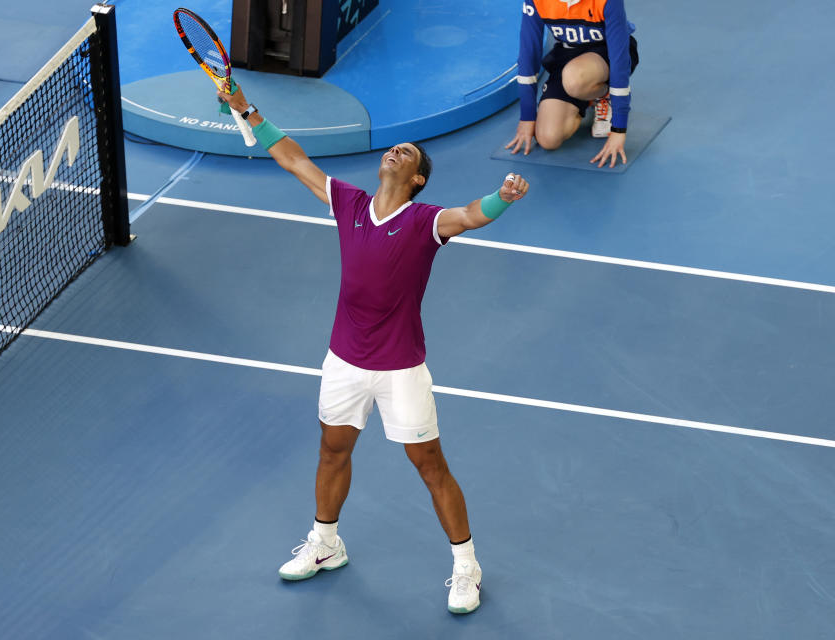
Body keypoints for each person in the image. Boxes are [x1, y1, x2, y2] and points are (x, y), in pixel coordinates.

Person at [218, 86, 529, 615]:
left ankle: (466, 567)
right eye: (394, 148)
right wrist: (247, 108)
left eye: (407, 153)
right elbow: (294, 160)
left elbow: (473, 215)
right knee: (332, 452)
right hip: (343, 361)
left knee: (430, 465)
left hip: (400, 369)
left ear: (417, 180)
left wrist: (505, 195)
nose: (395, 151)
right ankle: (326, 544)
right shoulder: (350, 204)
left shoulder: (425, 221)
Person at [505, 0, 638, 168]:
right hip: (568, 54)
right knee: (548, 138)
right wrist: (527, 117)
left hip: (608, 52)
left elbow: (619, 62)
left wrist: (618, 130)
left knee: (574, 79)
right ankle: (590, 95)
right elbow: (528, 56)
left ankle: (605, 93)